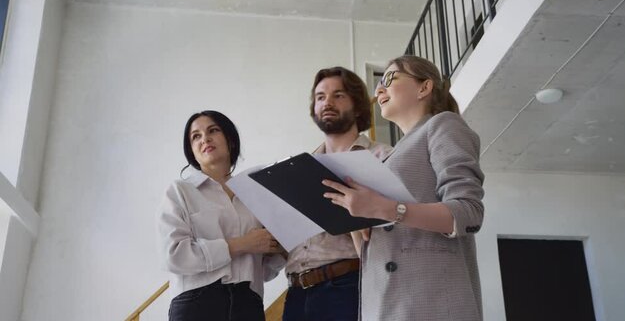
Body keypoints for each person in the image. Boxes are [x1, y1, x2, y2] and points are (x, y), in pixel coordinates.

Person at [323, 55, 485, 321]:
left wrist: (386, 208)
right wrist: (354, 217)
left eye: (390, 78)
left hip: (430, 301)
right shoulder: (389, 156)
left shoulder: (443, 125)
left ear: (424, 87)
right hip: (384, 303)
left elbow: (469, 212)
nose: (379, 89)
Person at [282, 67, 392, 321]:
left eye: (338, 95)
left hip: (347, 286)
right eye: (320, 97)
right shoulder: (300, 168)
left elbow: (394, 231)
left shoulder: (382, 157)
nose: (327, 102)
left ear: (357, 105)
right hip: (297, 291)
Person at [157, 110, 285, 321]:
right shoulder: (179, 191)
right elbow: (173, 255)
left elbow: (263, 272)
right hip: (196, 304)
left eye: (213, 130)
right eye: (195, 136)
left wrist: (277, 251)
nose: (204, 138)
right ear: (191, 151)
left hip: (248, 304)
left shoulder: (253, 195)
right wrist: (242, 244)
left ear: (230, 140)